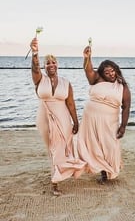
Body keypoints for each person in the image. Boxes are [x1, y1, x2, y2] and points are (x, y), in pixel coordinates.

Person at [29, 38, 86, 196]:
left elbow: (71, 104)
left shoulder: (66, 83)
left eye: (53, 62)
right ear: (44, 66)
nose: (51, 65)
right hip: (44, 117)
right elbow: (35, 69)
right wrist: (35, 52)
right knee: (52, 149)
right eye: (47, 63)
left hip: (63, 119)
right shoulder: (39, 79)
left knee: (62, 147)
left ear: (57, 65)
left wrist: (76, 122)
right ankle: (56, 177)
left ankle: (56, 178)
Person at [77, 45, 131, 184]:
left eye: (113, 71)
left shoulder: (122, 87)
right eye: (107, 72)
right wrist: (87, 58)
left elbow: (126, 108)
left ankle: (109, 169)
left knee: (109, 145)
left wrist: (123, 126)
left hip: (110, 122)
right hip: (91, 120)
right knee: (95, 145)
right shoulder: (97, 80)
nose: (111, 74)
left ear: (117, 71)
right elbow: (88, 69)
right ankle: (103, 173)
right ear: (102, 74)